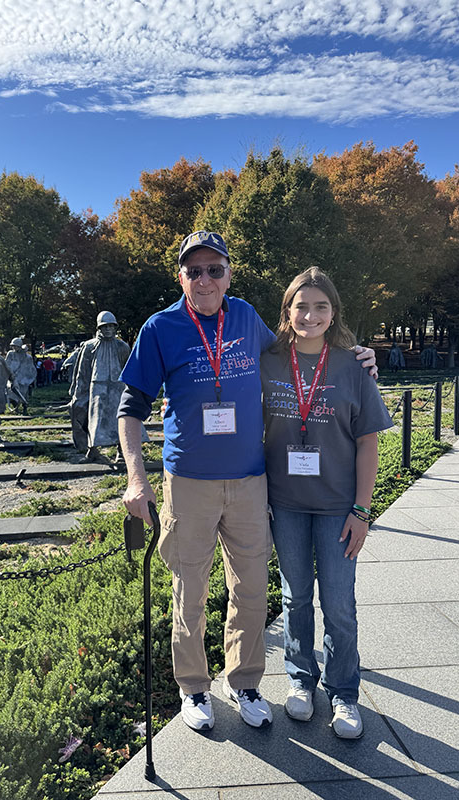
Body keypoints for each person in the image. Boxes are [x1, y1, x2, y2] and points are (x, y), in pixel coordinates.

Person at [119, 230, 377, 732]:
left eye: (215, 269)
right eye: (194, 270)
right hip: (189, 482)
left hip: (250, 481)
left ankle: (245, 681)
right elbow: (131, 407)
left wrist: (357, 354)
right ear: (181, 277)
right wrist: (135, 478)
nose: (205, 279)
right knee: (189, 590)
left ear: (229, 273)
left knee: (252, 589)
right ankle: (193, 688)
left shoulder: (246, 318)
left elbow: (302, 347)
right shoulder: (160, 327)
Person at [261, 267, 392, 739]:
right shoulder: (268, 360)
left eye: (320, 306)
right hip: (286, 504)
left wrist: (362, 510)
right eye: (301, 306)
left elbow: (369, 443)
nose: (310, 315)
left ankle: (344, 693)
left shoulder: (353, 367)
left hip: (338, 507)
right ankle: (300, 679)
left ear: (333, 312)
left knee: (338, 604)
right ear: (287, 311)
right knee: (295, 597)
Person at [72, 311, 144, 461]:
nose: (108, 330)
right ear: (99, 328)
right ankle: (92, 450)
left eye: (111, 326)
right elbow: (82, 372)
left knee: (120, 417)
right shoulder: (89, 346)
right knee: (95, 419)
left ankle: (122, 451)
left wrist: (133, 390)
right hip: (97, 387)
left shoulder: (122, 346)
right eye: (105, 327)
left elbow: (129, 369)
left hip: (118, 387)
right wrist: (79, 392)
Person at [5, 337, 37, 415]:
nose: (14, 347)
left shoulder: (27, 357)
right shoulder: (11, 354)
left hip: (23, 379)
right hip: (13, 378)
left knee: (23, 395)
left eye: (15, 346)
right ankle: (16, 408)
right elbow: (6, 364)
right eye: (13, 346)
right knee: (10, 393)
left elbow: (30, 369)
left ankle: (24, 408)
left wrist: (26, 379)